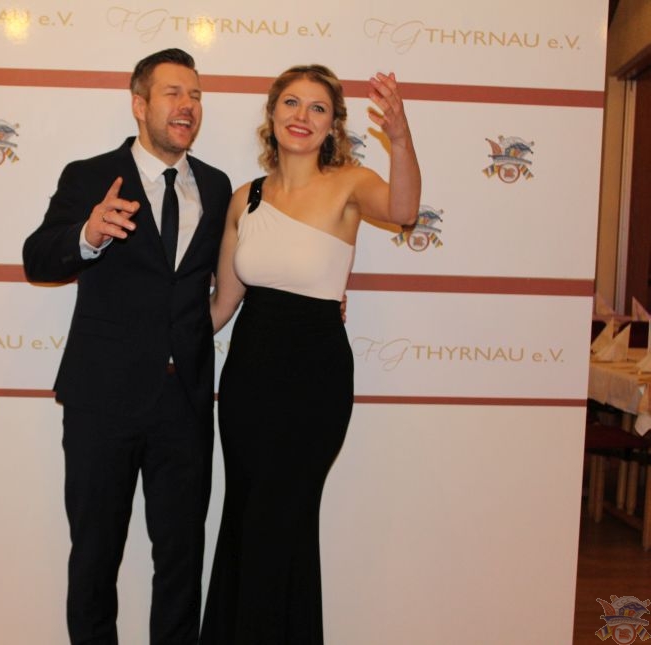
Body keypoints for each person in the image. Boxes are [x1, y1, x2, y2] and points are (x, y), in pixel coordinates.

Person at [200, 65, 421, 643]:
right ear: (272, 115)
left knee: (282, 517)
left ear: (333, 124)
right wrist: (155, 343)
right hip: (247, 379)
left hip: (314, 381)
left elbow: (403, 210)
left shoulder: (350, 183)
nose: (302, 116)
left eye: (317, 107)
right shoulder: (246, 198)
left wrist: (400, 135)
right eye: (291, 103)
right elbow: (222, 305)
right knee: (246, 513)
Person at [22, 48, 231, 645]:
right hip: (103, 400)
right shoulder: (90, 175)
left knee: (182, 561)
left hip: (184, 402)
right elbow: (38, 258)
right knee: (95, 557)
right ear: (140, 104)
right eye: (173, 93)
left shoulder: (217, 187)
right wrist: (87, 235)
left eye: (195, 94)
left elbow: (234, 274)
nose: (187, 105)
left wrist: (313, 303)